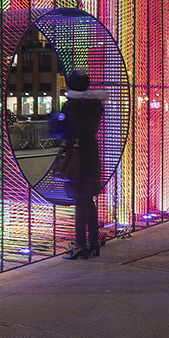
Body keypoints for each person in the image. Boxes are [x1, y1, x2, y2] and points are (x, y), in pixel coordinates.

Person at [51, 69, 107, 259]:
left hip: (76, 157)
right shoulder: (95, 104)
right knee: (88, 199)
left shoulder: (72, 106)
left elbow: (60, 131)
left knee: (79, 199)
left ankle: (80, 245)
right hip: (91, 152)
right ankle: (93, 242)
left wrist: (54, 118)